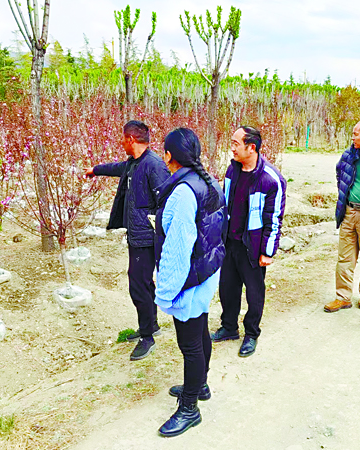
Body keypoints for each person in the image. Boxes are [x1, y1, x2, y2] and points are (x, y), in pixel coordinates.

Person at [154, 128, 227, 437]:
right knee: (200, 330)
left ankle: (189, 409)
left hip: (190, 277)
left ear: (169, 155)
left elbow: (178, 246)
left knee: (190, 344)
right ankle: (201, 385)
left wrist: (167, 290)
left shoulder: (184, 192)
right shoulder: (209, 181)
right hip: (207, 271)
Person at [85, 120, 170, 361]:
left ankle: (147, 337)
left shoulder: (153, 165)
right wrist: (96, 170)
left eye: (123, 138)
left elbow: (166, 201)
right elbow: (117, 167)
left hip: (146, 238)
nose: (121, 142)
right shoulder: (134, 163)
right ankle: (151, 325)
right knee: (143, 283)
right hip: (136, 235)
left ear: (131, 139)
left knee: (138, 285)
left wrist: (158, 231)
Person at [211, 126, 286, 357]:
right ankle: (229, 327)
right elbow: (224, 204)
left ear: (251, 147)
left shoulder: (270, 179)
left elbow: (274, 218)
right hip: (230, 242)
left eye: (236, 143)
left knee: (254, 293)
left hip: (252, 247)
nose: (232, 148)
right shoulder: (232, 170)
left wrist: (268, 252)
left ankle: (251, 333)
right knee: (227, 288)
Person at [324, 119, 360, 313]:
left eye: (356, 134)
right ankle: (343, 297)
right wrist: (344, 193)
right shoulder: (350, 154)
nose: (353, 137)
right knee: (344, 258)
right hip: (348, 212)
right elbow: (339, 172)